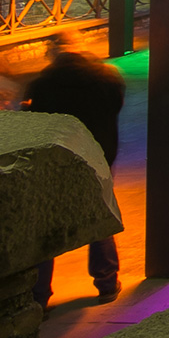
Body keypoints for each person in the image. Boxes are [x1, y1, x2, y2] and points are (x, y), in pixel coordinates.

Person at [24, 34, 126, 304]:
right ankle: (106, 281)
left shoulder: (42, 83)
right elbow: (116, 105)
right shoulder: (106, 77)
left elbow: (35, 123)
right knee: (99, 217)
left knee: (48, 227)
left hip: (58, 162)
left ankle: (39, 295)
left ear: (53, 54)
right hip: (98, 158)